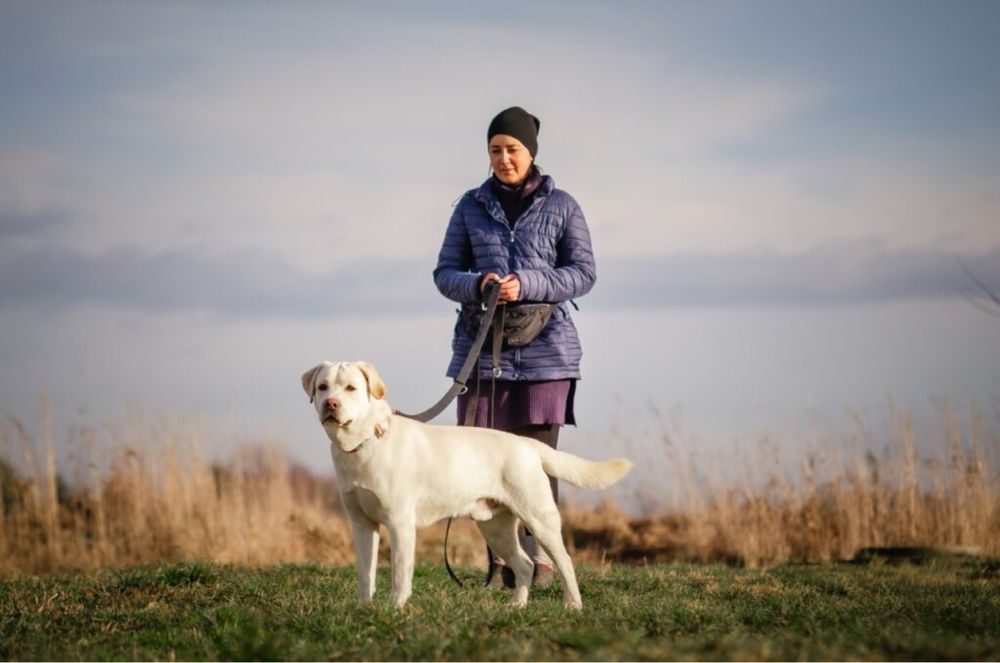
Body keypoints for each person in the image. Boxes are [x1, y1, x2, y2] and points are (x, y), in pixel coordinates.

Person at [433, 106, 597, 588]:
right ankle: (502, 564)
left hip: (548, 356)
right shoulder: (468, 206)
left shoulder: (564, 205)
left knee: (537, 467)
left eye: (513, 150)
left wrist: (525, 283)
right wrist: (477, 282)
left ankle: (543, 561)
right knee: (479, 470)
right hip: (481, 355)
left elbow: (584, 274)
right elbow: (444, 274)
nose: (504, 159)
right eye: (495, 150)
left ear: (531, 153)